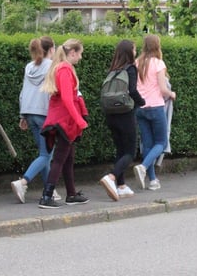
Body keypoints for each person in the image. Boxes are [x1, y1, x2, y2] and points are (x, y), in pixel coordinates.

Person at [37, 38, 90, 209]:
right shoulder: (65, 69)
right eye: (80, 53)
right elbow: (68, 99)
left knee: (67, 158)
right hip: (64, 121)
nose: (80, 57)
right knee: (60, 159)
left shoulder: (59, 68)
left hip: (60, 119)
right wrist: (79, 120)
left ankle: (71, 194)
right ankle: (47, 196)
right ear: (72, 52)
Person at [11, 37, 61, 203]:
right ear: (51, 50)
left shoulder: (29, 67)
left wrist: (22, 115)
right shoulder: (53, 66)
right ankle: (23, 182)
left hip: (29, 112)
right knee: (46, 155)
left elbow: (23, 92)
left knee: (43, 154)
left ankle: (49, 190)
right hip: (45, 113)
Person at [99, 40, 146, 201]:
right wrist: (142, 102)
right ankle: (111, 177)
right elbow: (132, 90)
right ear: (129, 52)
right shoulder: (130, 68)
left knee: (120, 150)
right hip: (125, 113)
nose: (135, 52)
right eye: (134, 49)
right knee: (130, 152)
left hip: (111, 114)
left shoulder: (113, 70)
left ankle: (121, 186)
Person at [133, 34, 176, 191]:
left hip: (140, 109)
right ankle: (143, 167)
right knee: (161, 143)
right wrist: (172, 94)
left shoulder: (137, 63)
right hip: (156, 107)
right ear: (157, 46)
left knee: (148, 145)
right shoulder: (159, 63)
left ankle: (152, 180)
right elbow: (163, 90)